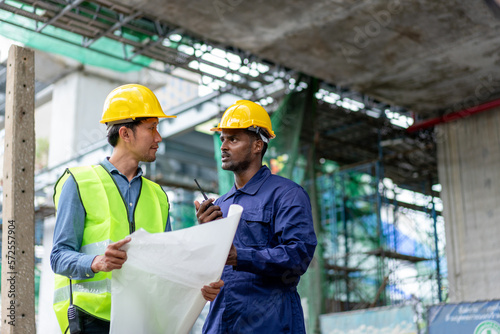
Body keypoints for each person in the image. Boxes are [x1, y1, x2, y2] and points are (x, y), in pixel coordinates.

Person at [50, 84, 223, 334]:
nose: (158, 137)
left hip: (143, 321)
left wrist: (199, 286)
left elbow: (168, 266)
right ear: (125, 133)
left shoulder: (158, 196)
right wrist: (97, 262)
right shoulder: (79, 182)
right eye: (152, 128)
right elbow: (58, 256)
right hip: (92, 322)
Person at [195, 100, 317, 333]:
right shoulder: (219, 205)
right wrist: (205, 235)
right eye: (222, 139)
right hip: (221, 324)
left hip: (269, 324)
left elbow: (298, 256)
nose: (223, 146)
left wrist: (239, 256)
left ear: (257, 146)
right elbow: (205, 271)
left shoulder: (287, 195)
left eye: (233, 139)